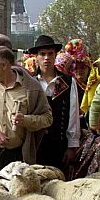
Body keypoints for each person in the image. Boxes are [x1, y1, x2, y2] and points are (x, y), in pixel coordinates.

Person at [0, 46, 52, 170]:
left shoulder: (32, 88)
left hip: (17, 158)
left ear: (4, 65)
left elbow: (47, 119)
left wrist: (26, 120)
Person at [28, 35, 81, 171]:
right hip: (34, 144)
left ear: (55, 55)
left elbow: (73, 114)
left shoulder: (68, 82)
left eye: (50, 54)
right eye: (42, 54)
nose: (46, 58)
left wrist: (72, 145)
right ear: (36, 57)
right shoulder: (29, 82)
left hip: (59, 145)